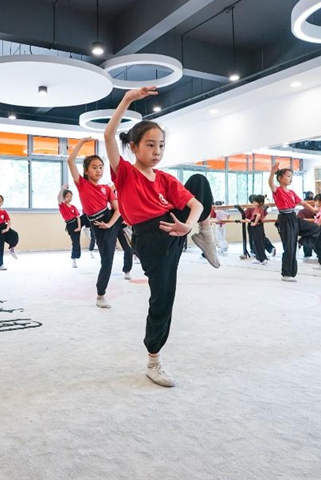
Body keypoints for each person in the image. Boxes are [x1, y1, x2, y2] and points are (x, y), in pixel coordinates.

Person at [104, 86, 219, 387]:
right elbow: (107, 136)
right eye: (150, 145)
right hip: (150, 237)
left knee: (199, 181)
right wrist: (128, 100)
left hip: (175, 230)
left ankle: (204, 234)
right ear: (133, 147)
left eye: (161, 146)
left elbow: (194, 204)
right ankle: (153, 361)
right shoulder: (125, 173)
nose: (156, 152)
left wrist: (189, 225)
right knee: (163, 299)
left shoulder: (166, 178)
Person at [67, 137, 122, 308]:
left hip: (110, 220)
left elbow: (118, 209)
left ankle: (100, 295)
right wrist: (82, 142)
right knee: (107, 259)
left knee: (108, 260)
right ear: (86, 170)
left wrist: (110, 224)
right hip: (97, 223)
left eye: (101, 167)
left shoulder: (106, 188)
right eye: (94, 167)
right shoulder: (81, 184)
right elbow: (70, 160)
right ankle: (101, 295)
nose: (98, 170)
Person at [269, 162, 319, 281]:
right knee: (289, 247)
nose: (290, 178)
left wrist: (314, 210)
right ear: (280, 178)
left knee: (315, 228)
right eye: (288, 176)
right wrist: (272, 172)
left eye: (291, 176)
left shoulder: (292, 193)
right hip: (284, 219)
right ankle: (286, 274)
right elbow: (270, 183)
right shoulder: (277, 190)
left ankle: (300, 242)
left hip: (294, 217)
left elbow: (302, 203)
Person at [58, 184, 82, 268]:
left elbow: (78, 217)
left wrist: (79, 227)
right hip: (70, 225)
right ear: (64, 197)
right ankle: (74, 259)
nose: (69, 198)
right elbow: (59, 198)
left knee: (86, 216)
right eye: (67, 196)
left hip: (77, 223)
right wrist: (62, 188)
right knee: (75, 242)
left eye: (71, 196)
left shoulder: (74, 207)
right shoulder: (62, 206)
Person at [248, 195, 269, 265]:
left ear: (259, 203)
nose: (253, 202)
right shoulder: (261, 208)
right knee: (259, 242)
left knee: (257, 242)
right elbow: (263, 217)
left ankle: (262, 258)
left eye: (255, 201)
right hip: (260, 226)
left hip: (257, 227)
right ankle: (259, 258)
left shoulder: (257, 208)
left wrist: (254, 223)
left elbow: (258, 216)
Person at [298, 191, 316, 258]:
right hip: (306, 226)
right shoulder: (302, 211)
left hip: (313, 225)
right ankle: (308, 252)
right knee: (307, 238)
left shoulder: (314, 206)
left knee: (310, 238)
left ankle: (300, 244)